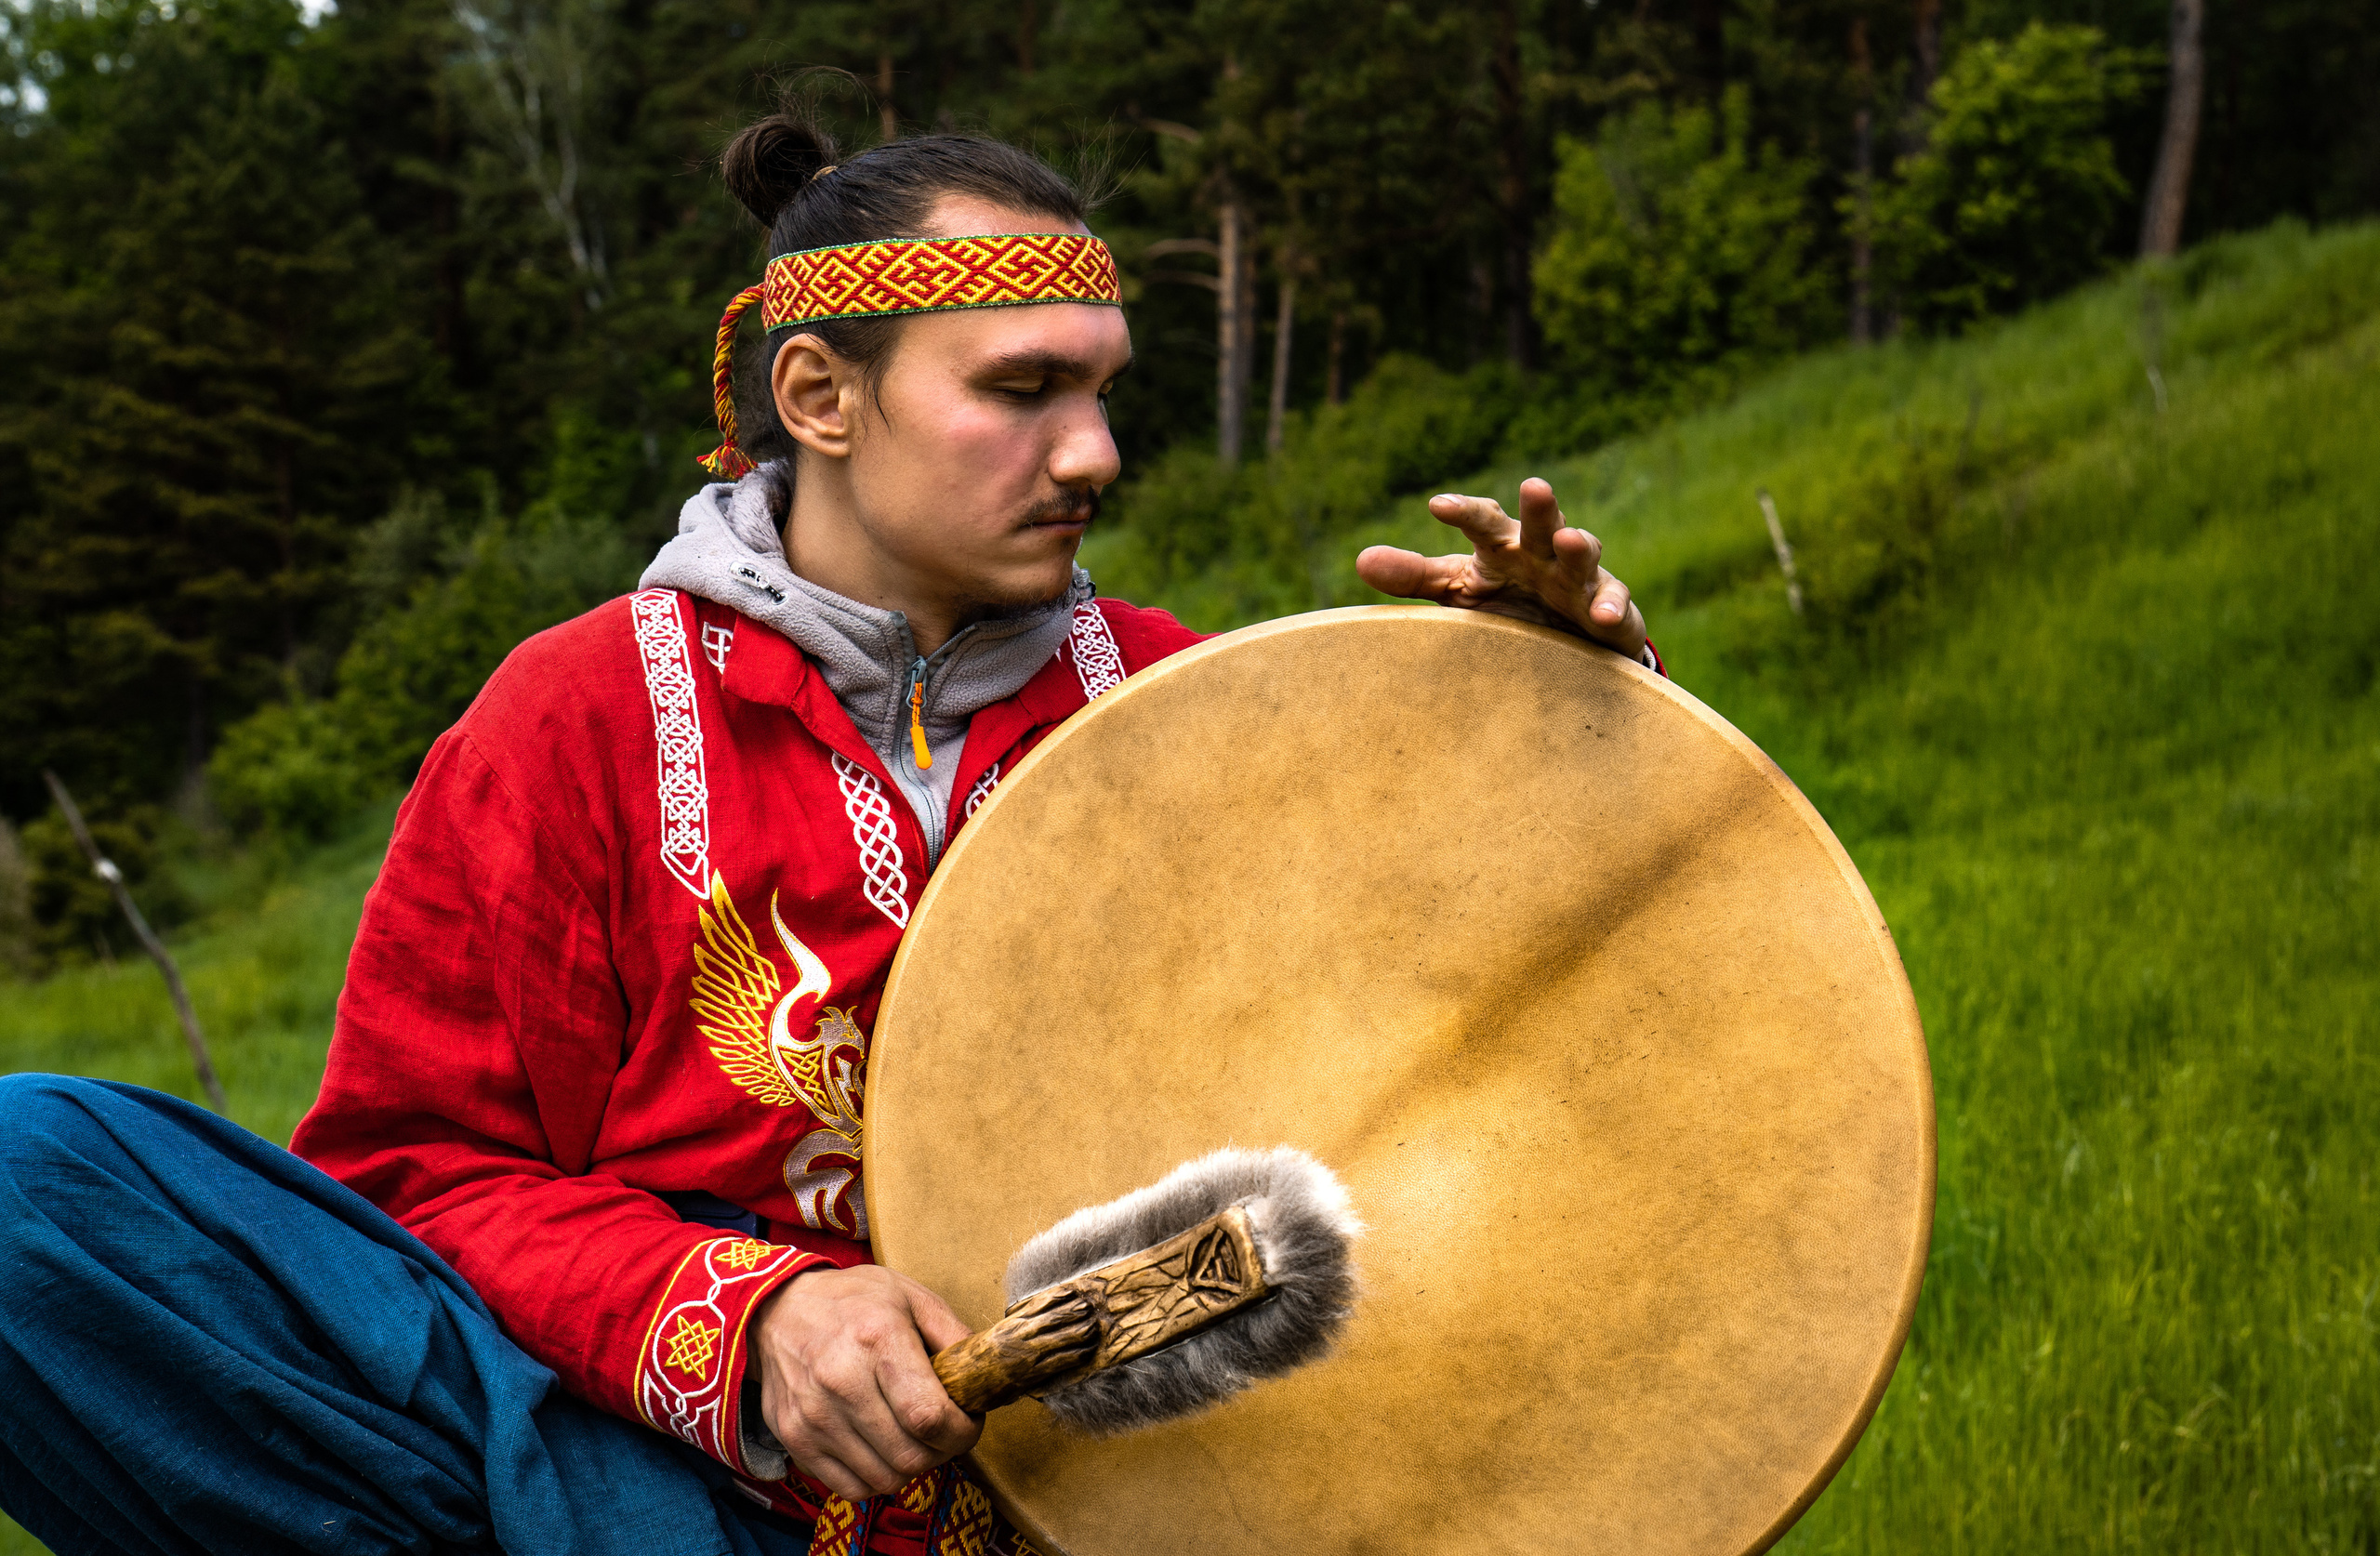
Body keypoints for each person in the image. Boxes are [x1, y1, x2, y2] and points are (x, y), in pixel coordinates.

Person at [0, 110, 1655, 1556]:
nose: (1094, 452)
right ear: (821, 394)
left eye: (1101, 392)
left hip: (1125, 1494)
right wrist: (750, 1317)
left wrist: (1572, 718)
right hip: (649, 1491)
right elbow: (409, 1186)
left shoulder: (1180, 700)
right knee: (33, 1184)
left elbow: (1482, 1033)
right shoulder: (570, 722)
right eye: (1023, 390)